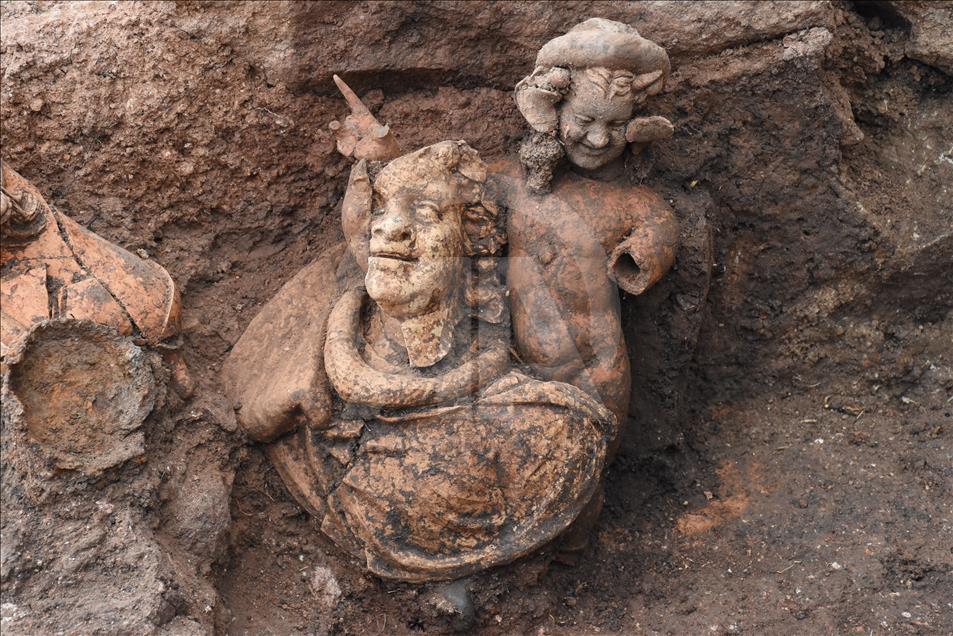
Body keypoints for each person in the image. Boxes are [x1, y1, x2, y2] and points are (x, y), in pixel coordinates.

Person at [222, 141, 614, 582]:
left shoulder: (550, 430)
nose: (391, 228)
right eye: (381, 209)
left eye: (426, 213)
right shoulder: (303, 366)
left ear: (470, 243)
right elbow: (250, 409)